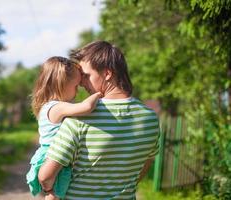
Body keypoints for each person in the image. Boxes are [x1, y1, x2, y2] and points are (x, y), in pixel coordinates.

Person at [38, 41, 160, 199]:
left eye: (86, 76)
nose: (82, 83)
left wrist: (48, 190)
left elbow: (45, 177)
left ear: (107, 74)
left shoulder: (79, 119)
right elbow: (146, 164)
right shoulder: (150, 119)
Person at [26, 56, 101, 200]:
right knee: (54, 195)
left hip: (52, 155)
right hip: (53, 156)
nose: (77, 91)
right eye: (75, 86)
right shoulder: (57, 107)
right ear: (62, 84)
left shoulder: (49, 106)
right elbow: (86, 107)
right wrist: (99, 94)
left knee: (55, 194)